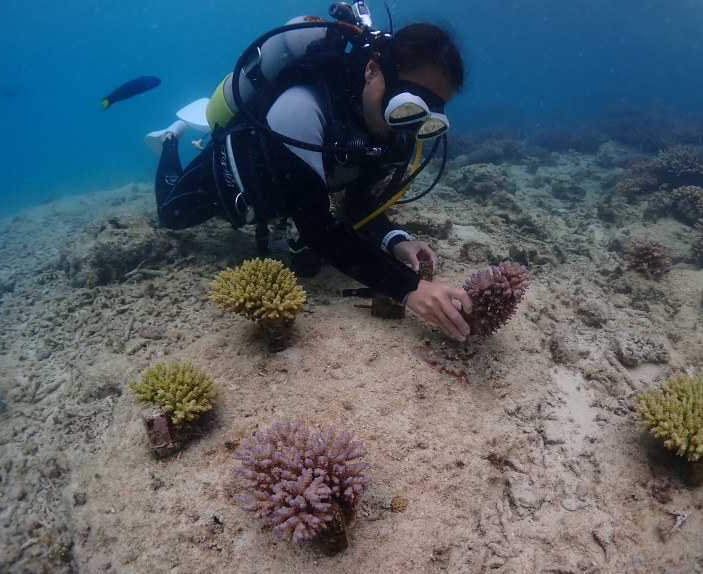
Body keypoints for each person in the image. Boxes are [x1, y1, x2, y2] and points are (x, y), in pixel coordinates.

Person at [146, 18, 472, 341]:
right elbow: (317, 227)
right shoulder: (301, 108)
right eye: (407, 105)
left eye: (427, 116)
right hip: (236, 176)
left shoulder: (388, 130)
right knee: (170, 215)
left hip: (293, 190)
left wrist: (396, 240)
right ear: (373, 70)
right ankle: (170, 141)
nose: (408, 126)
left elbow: (358, 205)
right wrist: (409, 288)